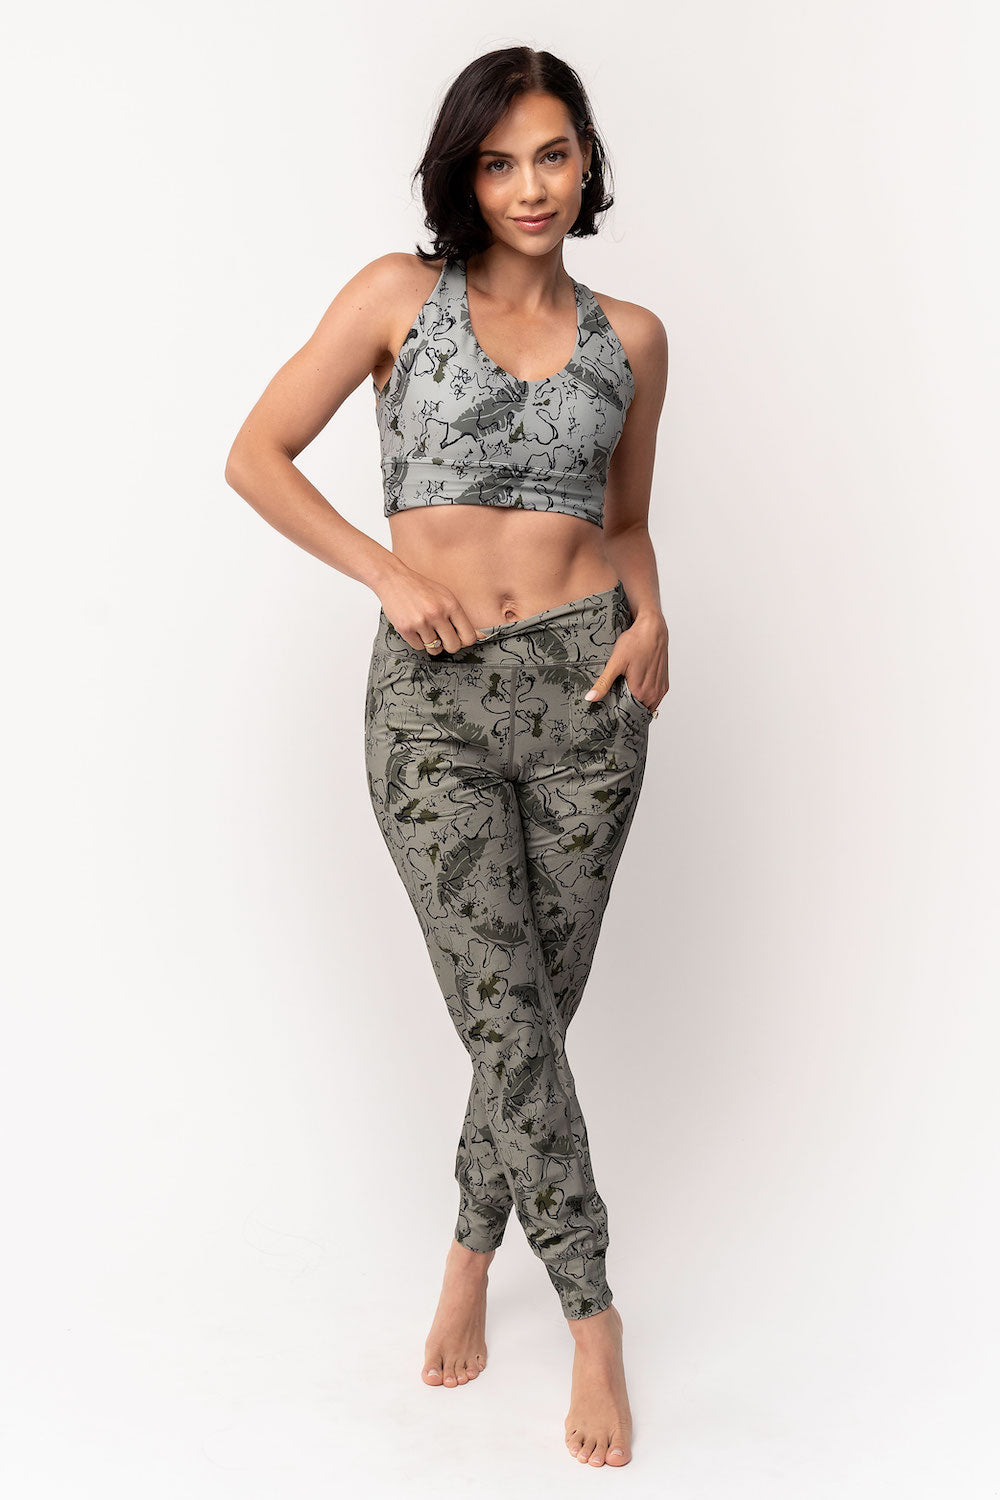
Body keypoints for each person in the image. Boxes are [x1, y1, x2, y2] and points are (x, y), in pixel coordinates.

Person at [225, 44, 669, 1470]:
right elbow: (255, 453)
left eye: (553, 155)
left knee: (531, 1009)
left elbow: (628, 519)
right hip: (433, 706)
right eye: (498, 161)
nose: (529, 186)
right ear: (462, 175)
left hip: (589, 697)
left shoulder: (635, 337)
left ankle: (473, 1249)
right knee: (507, 1008)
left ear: (587, 164)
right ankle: (593, 1314)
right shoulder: (394, 299)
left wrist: (655, 620)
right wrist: (383, 572)